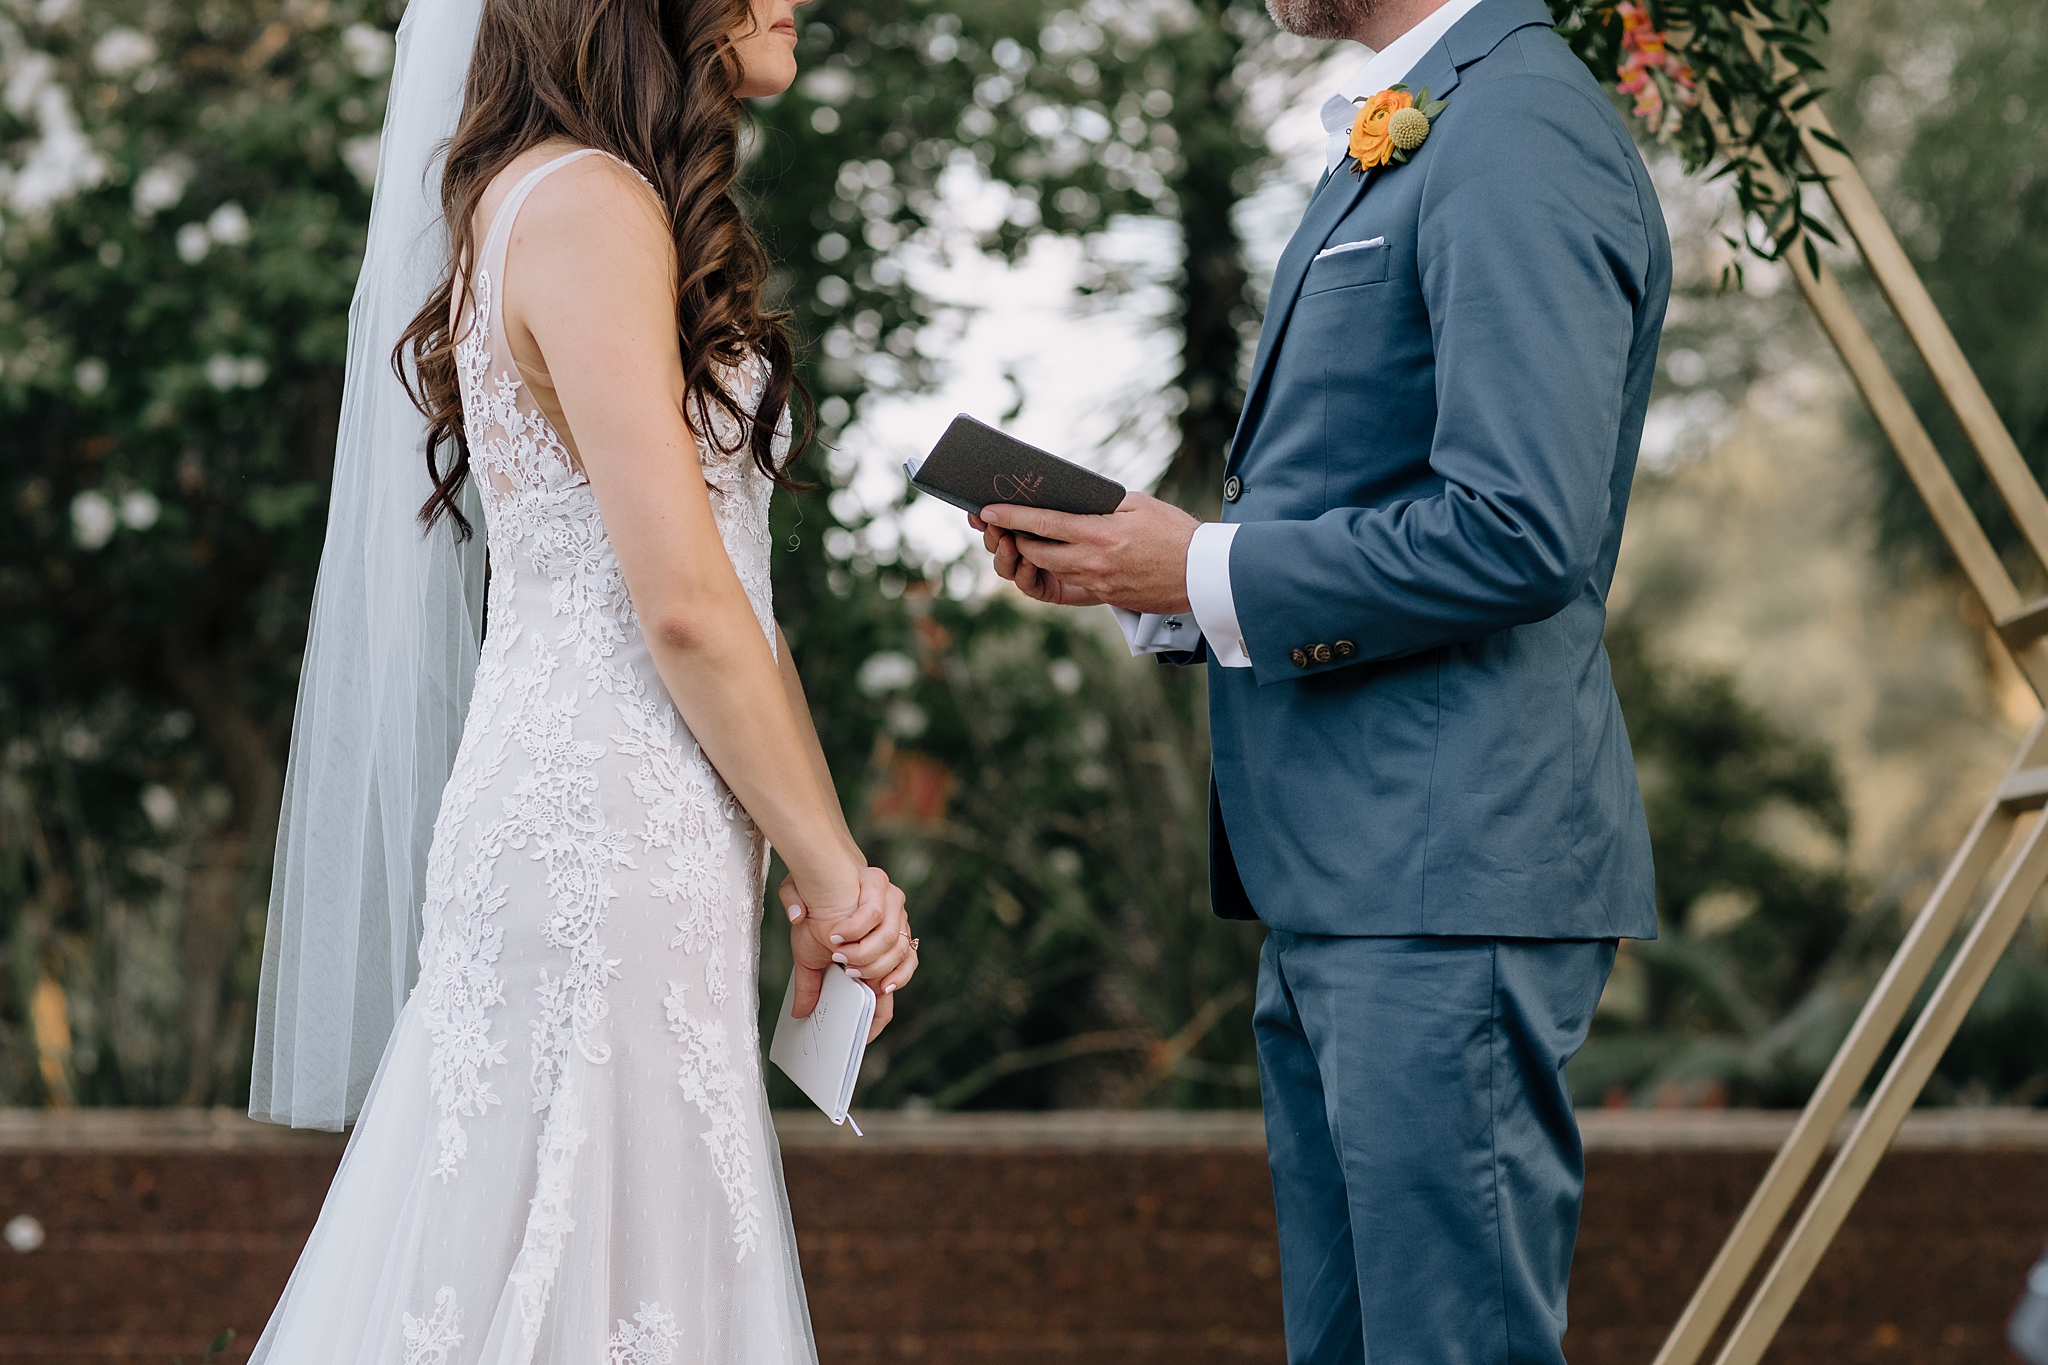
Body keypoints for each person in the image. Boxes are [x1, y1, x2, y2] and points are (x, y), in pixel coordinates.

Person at [973, 0, 1670, 1360]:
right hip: (1345, 884)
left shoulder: (1519, 125)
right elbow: (1359, 496)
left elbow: (1520, 528)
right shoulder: (1417, 126)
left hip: (1442, 875)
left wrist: (1206, 567)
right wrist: (1153, 576)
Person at [247, 0, 913, 1360]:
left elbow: (735, 603)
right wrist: (845, 884)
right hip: (603, 830)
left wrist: (807, 855)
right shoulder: (594, 206)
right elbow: (682, 609)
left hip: (627, 817)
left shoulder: (556, 201)